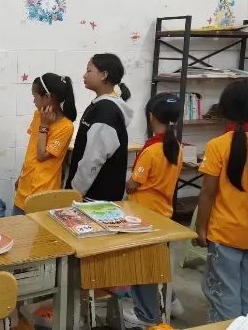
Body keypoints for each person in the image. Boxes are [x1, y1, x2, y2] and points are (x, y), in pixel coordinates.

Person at [196, 80, 248, 322]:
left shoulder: (217, 146)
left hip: (223, 235)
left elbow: (207, 194)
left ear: (224, 109)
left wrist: (201, 228)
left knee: (223, 296)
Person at [123, 93, 185, 327]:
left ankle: (146, 315)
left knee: (142, 268)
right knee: (157, 264)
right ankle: (171, 301)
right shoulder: (177, 147)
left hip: (143, 217)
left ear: (151, 117)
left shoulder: (151, 151)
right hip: (164, 214)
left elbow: (132, 184)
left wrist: (127, 183)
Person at [65, 53, 133, 201]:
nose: (84, 75)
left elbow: (93, 159)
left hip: (95, 198)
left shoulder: (106, 111)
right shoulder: (102, 105)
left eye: (89, 71)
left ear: (104, 75)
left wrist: (75, 192)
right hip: (92, 195)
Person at [13, 73, 77, 215]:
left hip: (44, 192)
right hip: (24, 187)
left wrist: (44, 125)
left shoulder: (66, 126)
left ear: (48, 97)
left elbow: (41, 155)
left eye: (35, 96)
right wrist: (21, 176)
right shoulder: (38, 114)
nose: (33, 100)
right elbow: (32, 149)